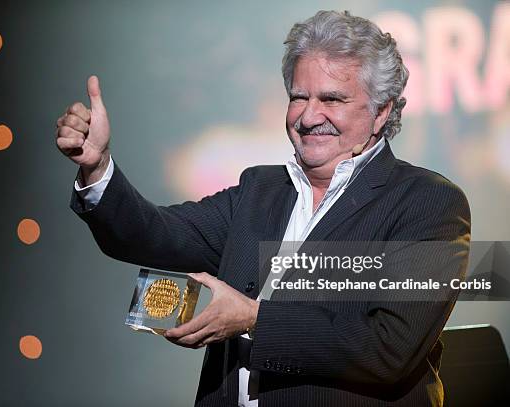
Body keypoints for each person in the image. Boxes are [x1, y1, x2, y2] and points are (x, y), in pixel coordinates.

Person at [55, 10, 470, 407]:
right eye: (299, 97)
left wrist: (253, 318)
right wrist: (97, 165)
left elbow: (387, 349)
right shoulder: (260, 189)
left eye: (332, 98)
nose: (309, 116)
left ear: (381, 112)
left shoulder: (428, 203)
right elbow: (153, 234)